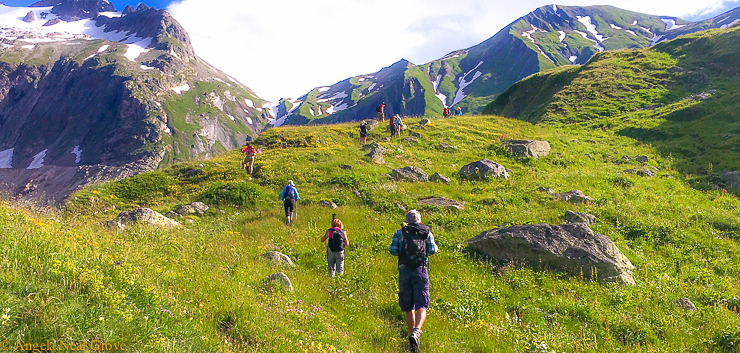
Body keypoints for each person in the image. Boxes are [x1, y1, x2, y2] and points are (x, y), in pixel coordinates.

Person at [389, 210, 438, 352]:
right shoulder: (426, 232)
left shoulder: (400, 233)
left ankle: (412, 342)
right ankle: (417, 331)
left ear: (407, 220)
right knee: (422, 304)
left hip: (404, 271)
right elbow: (433, 250)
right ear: (419, 220)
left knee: (408, 306)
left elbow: (392, 250)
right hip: (421, 270)